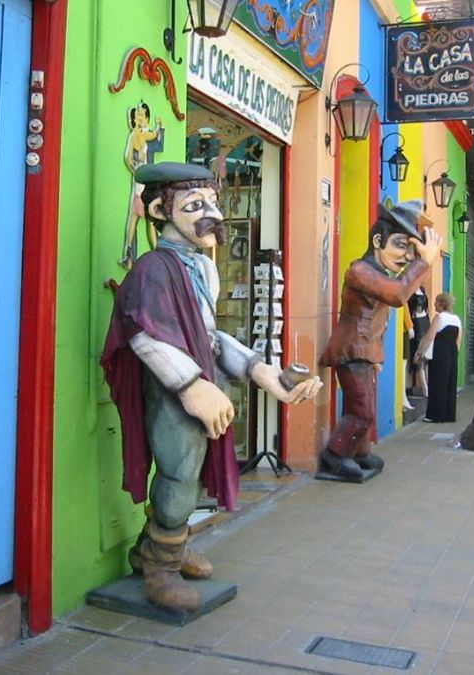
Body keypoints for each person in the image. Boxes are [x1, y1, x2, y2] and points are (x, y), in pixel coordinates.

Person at [101, 162, 321, 612]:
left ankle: (156, 549)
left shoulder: (203, 267)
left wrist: (265, 374)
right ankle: (160, 569)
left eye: (214, 204)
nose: (213, 215)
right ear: (161, 210)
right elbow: (143, 335)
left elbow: (211, 337)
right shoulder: (151, 269)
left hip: (199, 381)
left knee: (192, 472)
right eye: (195, 205)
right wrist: (190, 386)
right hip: (170, 391)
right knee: (179, 472)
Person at [318, 202, 441, 480]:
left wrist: (377, 357)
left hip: (365, 353)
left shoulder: (381, 275)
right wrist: (424, 262)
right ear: (377, 241)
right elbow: (398, 296)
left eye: (411, 250)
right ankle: (335, 455)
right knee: (362, 411)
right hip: (352, 351)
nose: (407, 256)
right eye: (400, 245)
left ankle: (358, 453)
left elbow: (381, 321)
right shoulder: (360, 272)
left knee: (364, 409)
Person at [119, 102, 164, 269]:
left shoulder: (135, 135)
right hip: (143, 184)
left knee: (138, 220)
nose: (140, 117)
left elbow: (128, 158)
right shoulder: (140, 135)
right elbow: (154, 136)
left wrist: (135, 169)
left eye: (142, 114)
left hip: (140, 182)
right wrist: (159, 126)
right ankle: (155, 254)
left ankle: (128, 253)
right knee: (147, 221)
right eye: (138, 114)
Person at [414, 293, 463, 423]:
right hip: (452, 352)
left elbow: (430, 337)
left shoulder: (439, 317)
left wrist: (419, 353)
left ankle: (435, 414)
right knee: (449, 383)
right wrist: (455, 354)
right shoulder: (457, 319)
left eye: (436, 301)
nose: (434, 304)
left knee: (437, 383)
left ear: (442, 304)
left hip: (440, 352)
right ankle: (449, 414)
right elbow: (458, 340)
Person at [408, 285, 430, 396]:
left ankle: (428, 386)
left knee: (427, 356)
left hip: (425, 320)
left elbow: (426, 308)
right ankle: (425, 388)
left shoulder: (422, 288)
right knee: (420, 356)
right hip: (416, 322)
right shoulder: (410, 290)